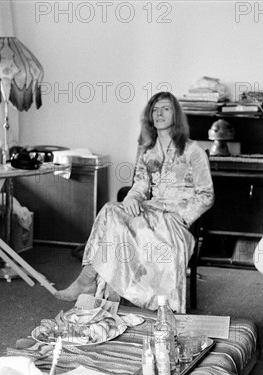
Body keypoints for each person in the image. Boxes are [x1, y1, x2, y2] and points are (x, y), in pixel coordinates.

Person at [54, 92, 214, 312]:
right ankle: (91, 281)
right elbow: (140, 184)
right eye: (154, 109)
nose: (159, 113)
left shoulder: (193, 151)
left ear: (175, 114)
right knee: (111, 210)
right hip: (150, 213)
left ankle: (93, 286)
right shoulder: (148, 152)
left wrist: (173, 211)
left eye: (165, 109)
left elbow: (206, 196)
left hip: (175, 221)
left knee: (119, 228)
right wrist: (132, 198)